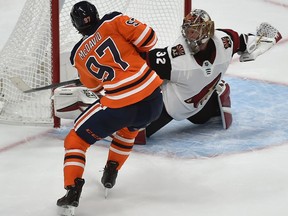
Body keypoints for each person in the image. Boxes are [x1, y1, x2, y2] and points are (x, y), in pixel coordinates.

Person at [56, 0, 163, 213]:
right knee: (129, 129)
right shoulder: (114, 20)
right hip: (154, 100)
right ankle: (111, 171)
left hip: (122, 104)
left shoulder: (77, 55)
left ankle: (72, 190)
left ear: (76, 25)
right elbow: (150, 39)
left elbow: (95, 88)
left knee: (75, 139)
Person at [134, 9, 282, 141]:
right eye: (187, 30)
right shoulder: (175, 57)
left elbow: (253, 41)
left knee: (201, 118)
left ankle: (217, 93)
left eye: (194, 30)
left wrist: (267, 40)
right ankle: (216, 93)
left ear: (207, 30)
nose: (189, 35)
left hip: (198, 104)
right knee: (133, 136)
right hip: (170, 106)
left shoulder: (225, 41)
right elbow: (138, 63)